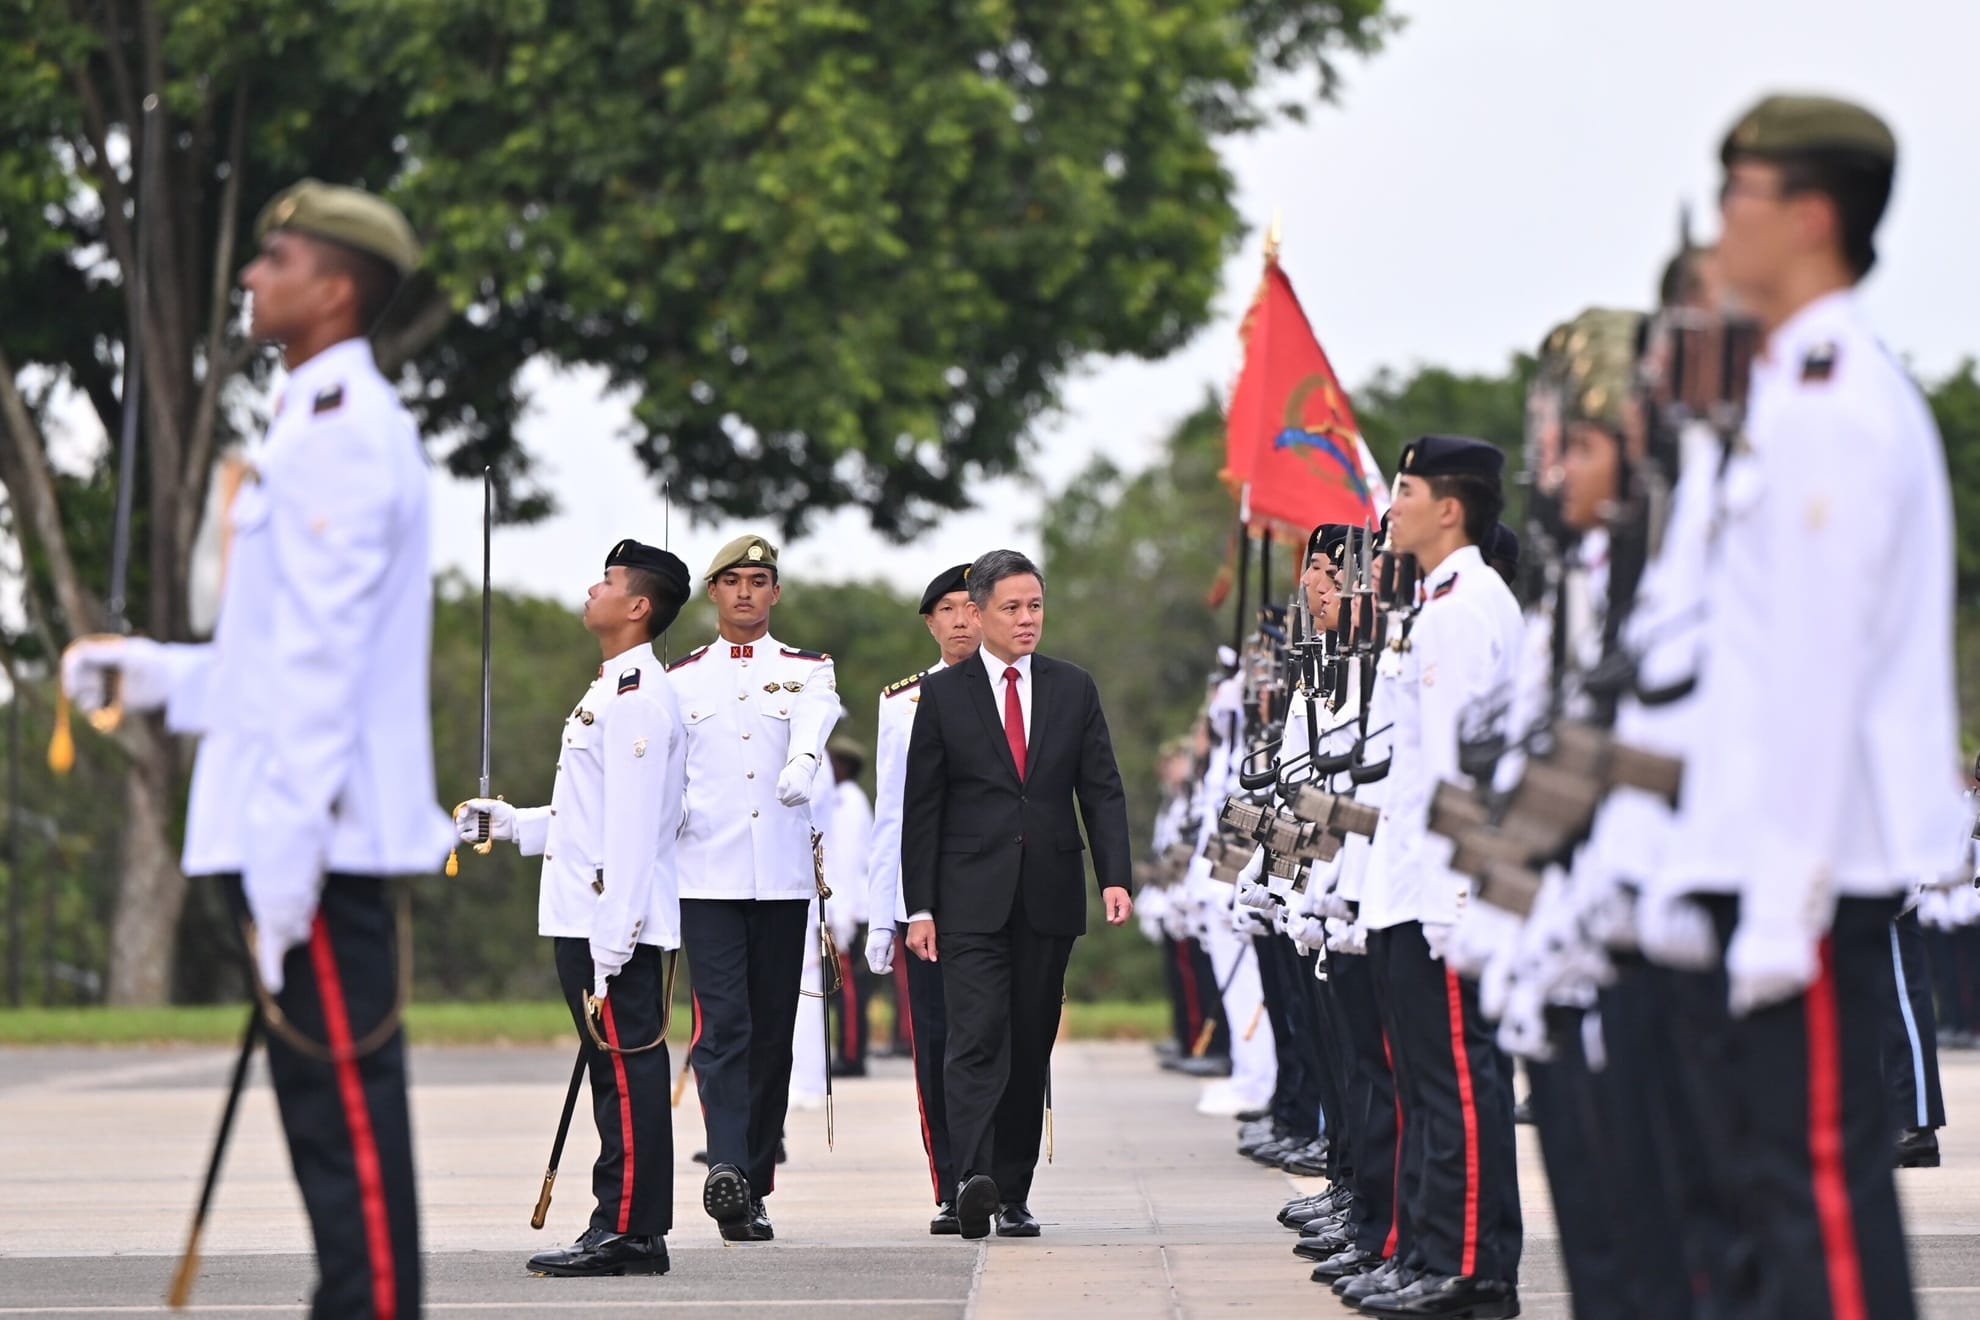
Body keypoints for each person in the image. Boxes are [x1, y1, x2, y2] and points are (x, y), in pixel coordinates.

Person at [64, 180, 449, 1317]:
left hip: (312, 835)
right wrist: (143, 673)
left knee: (349, 1142)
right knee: (326, 1136)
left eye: (273, 257)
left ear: (333, 289)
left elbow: (322, 669)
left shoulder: (342, 433)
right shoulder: (304, 421)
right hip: (290, 821)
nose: (248, 276)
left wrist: (286, 864)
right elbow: (273, 657)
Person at [1657, 93, 1965, 1319]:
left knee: (1821, 1205)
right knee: (1772, 1196)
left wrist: (1780, 902)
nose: (1723, 217)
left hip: (1817, 872)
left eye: (1741, 191)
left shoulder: (1836, 402)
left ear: (1811, 216)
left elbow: (1822, 670)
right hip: (1765, 860)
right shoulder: (1784, 394)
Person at [455, 539, 691, 1277]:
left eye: (609, 581)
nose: (594, 589)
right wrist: (512, 823)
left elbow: (630, 833)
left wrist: (611, 946)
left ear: (638, 606)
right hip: (585, 917)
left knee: (625, 1076)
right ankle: (624, 1225)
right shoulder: (610, 690)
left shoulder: (638, 698)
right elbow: (588, 816)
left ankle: (628, 1230)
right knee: (612, 1075)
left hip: (604, 926)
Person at [900, 549, 1134, 1240]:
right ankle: (967, 1182)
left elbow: (1102, 787)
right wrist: (920, 906)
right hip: (967, 898)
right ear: (976, 612)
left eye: (1035, 606)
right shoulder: (943, 694)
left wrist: (1115, 875)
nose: (1027, 619)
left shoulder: (1072, 687)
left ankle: (1012, 1190)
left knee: (1029, 1044)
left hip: (1049, 895)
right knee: (974, 1038)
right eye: (1012, 607)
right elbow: (923, 807)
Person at [1352, 435, 1524, 1319]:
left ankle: (1470, 1267)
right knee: (1429, 1084)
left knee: (1457, 1082)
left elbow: (1463, 770)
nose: (1392, 507)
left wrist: (1458, 898)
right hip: (1408, 885)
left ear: (1450, 508)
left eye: (1406, 489)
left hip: (1440, 892)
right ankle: (1430, 1249)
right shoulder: (1437, 605)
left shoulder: (1464, 609)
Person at [667, 534, 842, 1242]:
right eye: (732, 579)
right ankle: (727, 1169)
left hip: (780, 876)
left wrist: (802, 765)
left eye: (759, 579)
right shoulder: (678, 679)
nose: (745, 591)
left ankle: (753, 1181)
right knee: (724, 1025)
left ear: (776, 592)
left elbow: (813, 722)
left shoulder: (807, 669)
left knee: (772, 1035)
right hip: (705, 875)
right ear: (712, 592)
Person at [865, 563, 979, 1232]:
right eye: (949, 609)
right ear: (931, 622)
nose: (963, 619)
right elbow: (893, 814)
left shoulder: (1015, 689)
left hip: (993, 896)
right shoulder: (902, 700)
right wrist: (888, 913)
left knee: (1001, 1041)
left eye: (973, 605)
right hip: (925, 899)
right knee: (935, 1043)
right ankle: (953, 1182)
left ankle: (1001, 1178)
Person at [823, 738, 875, 1078]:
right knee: (841, 988)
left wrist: (840, 916)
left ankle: (853, 1055)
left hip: (849, 909)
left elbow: (845, 861)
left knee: (848, 988)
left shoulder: (848, 802)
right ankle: (849, 1051)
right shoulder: (841, 799)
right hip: (846, 906)